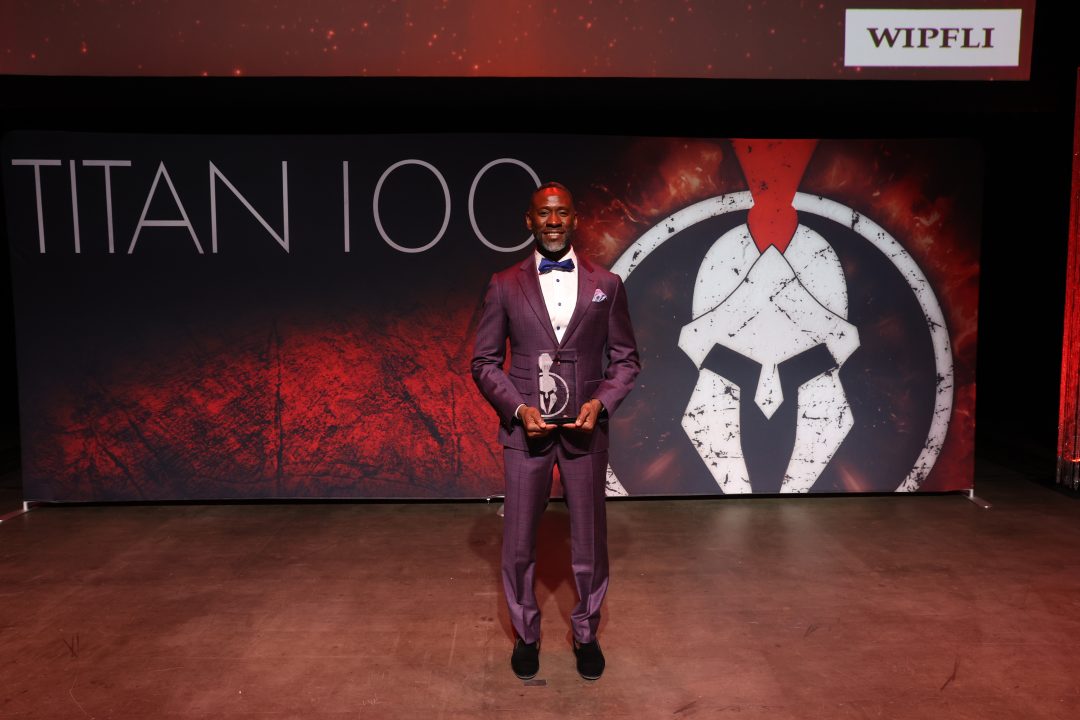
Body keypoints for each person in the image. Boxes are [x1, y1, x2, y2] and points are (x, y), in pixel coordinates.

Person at [471, 182, 640, 681]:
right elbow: (484, 362)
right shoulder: (504, 284)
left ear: (574, 219)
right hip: (526, 431)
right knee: (518, 542)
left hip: (586, 431)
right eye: (544, 214)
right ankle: (526, 634)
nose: (552, 222)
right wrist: (518, 409)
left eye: (561, 213)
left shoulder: (608, 284)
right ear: (529, 220)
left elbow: (626, 361)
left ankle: (586, 633)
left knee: (589, 541)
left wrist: (600, 403)